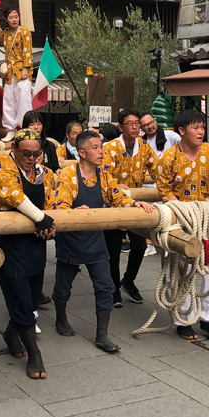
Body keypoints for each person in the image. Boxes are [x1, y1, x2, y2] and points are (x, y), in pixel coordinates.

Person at [53, 131, 154, 351]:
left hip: (96, 240)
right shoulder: (69, 175)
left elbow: (118, 195)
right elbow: (59, 205)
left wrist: (134, 204)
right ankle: (60, 318)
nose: (101, 152)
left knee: (105, 287)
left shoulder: (104, 175)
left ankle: (102, 335)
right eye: (96, 148)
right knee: (63, 287)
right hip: (71, 240)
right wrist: (72, 210)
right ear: (82, 152)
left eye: (102, 147)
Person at [156, 110, 209, 343]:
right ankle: (183, 320)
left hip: (207, 221)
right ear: (181, 131)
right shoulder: (168, 157)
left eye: (202, 127)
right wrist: (183, 213)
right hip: (181, 224)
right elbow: (164, 190)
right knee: (184, 272)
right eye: (195, 127)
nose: (201, 132)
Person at [0, 129, 55, 379]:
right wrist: (40, 218)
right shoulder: (2, 163)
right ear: (14, 148)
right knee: (20, 296)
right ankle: (34, 354)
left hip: (36, 243)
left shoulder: (43, 173)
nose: (32, 158)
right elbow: (13, 195)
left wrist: (47, 225)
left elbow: (50, 202)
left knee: (34, 296)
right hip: (10, 243)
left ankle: (10, 333)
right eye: (26, 153)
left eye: (37, 153)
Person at [102, 108, 158, 307]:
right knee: (114, 249)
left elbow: (157, 169)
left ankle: (129, 280)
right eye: (130, 124)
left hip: (136, 204)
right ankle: (114, 288)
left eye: (137, 124)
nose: (135, 127)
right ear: (120, 127)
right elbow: (104, 175)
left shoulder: (144, 146)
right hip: (113, 204)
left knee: (140, 245)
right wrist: (117, 187)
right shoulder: (109, 148)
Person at [22, 109, 58, 307]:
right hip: (25, 198)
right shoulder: (14, 158)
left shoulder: (49, 145)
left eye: (38, 123)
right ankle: (28, 296)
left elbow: (53, 168)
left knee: (40, 248)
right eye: (31, 124)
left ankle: (36, 292)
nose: (35, 127)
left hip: (45, 193)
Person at [139, 112, 181, 256]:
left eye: (151, 123)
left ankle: (169, 243)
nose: (150, 127)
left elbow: (184, 149)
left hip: (168, 185)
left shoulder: (171, 136)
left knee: (169, 216)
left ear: (155, 121)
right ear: (142, 128)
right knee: (150, 218)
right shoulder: (141, 142)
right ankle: (149, 244)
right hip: (148, 186)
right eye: (145, 125)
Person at [0, 9, 33, 142]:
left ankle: (25, 128)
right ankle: (10, 130)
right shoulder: (6, 33)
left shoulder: (24, 32)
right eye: (11, 17)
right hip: (9, 72)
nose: (14, 20)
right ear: (6, 20)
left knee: (23, 100)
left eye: (16, 17)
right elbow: (0, 40)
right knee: (8, 100)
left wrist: (26, 69)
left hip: (21, 70)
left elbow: (27, 50)